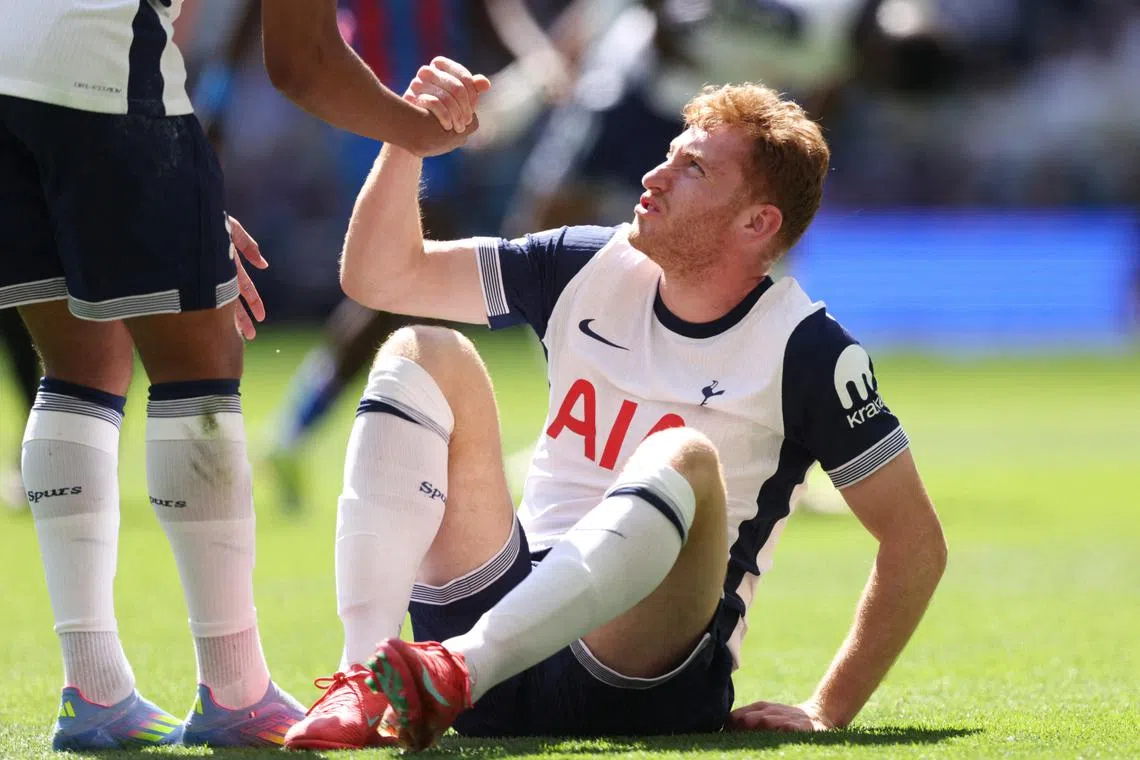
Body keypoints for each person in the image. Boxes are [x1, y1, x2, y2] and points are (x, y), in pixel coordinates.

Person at [283, 56, 947, 751]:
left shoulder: (807, 349)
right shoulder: (586, 264)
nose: (652, 178)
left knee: (683, 455)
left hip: (641, 675)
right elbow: (378, 277)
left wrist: (827, 708)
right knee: (421, 349)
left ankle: (455, 667)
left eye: (692, 169)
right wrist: (406, 141)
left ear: (757, 223)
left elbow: (916, 545)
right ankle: (362, 678)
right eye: (668, 156)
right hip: (498, 638)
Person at [0, 0, 474, 751]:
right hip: (103, 75)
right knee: (201, 367)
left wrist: (171, 203)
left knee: (78, 369)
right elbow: (304, 62)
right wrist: (425, 130)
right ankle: (237, 694)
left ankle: (93, 690)